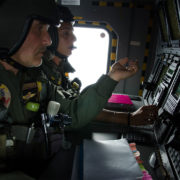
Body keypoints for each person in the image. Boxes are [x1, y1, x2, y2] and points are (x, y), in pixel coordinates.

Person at [0, 0, 140, 179]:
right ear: (10, 27)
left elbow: (72, 113)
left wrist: (113, 77)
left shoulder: (35, 79)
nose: (48, 40)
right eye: (40, 28)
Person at [43, 4, 158, 127]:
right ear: (51, 37)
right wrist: (112, 78)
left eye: (72, 32)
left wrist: (128, 118)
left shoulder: (58, 73)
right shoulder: (43, 76)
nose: (74, 38)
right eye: (66, 33)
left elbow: (83, 107)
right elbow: (73, 113)